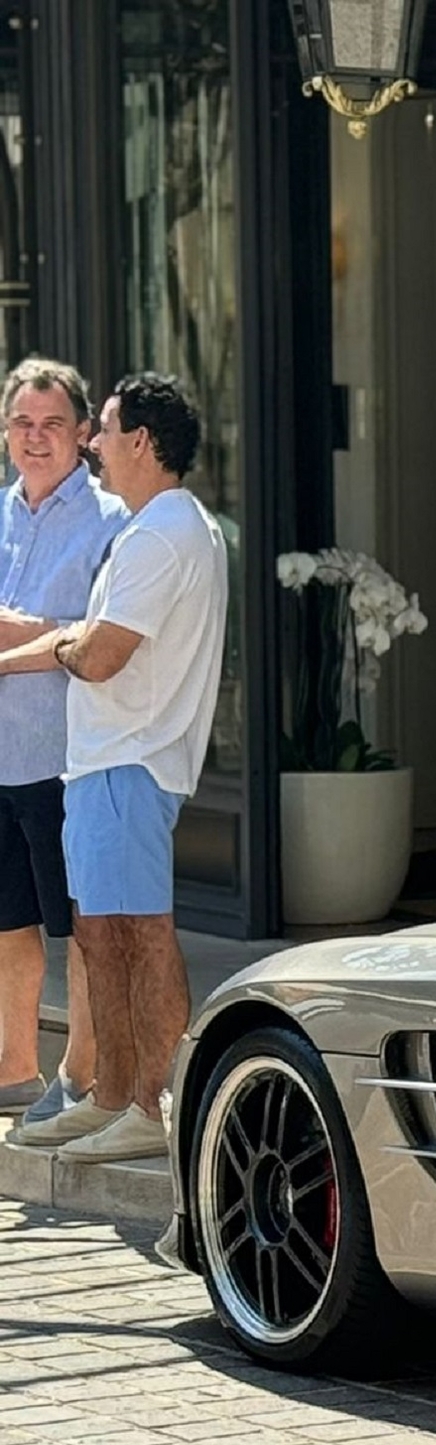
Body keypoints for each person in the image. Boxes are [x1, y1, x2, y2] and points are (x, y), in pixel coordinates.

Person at [0, 373, 228, 1162]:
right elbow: (79, 642)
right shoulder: (152, 530)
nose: (93, 444)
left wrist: (57, 643)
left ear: (141, 441)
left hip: (130, 762)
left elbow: (96, 655)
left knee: (141, 938)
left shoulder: (162, 534)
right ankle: (114, 1098)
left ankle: (153, 1104)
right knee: (103, 940)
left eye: (99, 429)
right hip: (104, 766)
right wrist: (42, 648)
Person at [0, 359, 120, 1126]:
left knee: (76, 929)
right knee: (7, 923)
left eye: (52, 424)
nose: (35, 438)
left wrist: (25, 630)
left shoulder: (111, 522)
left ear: (83, 433)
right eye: (22, 423)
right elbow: (56, 629)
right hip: (0, 761)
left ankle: (81, 1082)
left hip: (65, 761)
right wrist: (39, 631)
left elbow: (98, 636)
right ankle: (13, 1074)